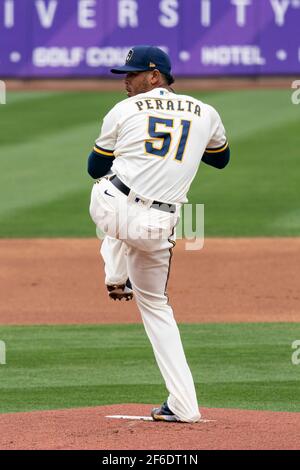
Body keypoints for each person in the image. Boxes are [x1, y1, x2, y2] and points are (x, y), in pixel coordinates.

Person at [88, 45, 230, 423]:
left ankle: (115, 275)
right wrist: (182, 150)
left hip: (113, 208)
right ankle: (185, 406)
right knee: (157, 307)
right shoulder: (206, 111)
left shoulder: (124, 110)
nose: (126, 82)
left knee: (105, 184)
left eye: (132, 75)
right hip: (159, 228)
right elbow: (221, 159)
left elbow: (93, 165)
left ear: (154, 77)